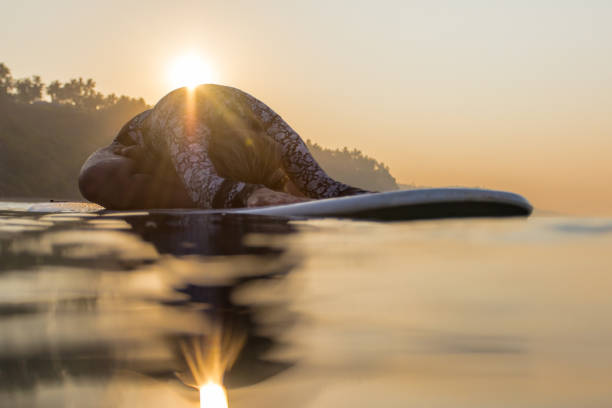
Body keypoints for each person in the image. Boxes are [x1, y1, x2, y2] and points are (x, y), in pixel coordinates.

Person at [79, 84, 369, 210]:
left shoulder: (278, 133)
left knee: (303, 185)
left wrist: (402, 205)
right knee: (98, 180)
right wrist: (262, 198)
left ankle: (262, 185)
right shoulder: (187, 126)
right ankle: (250, 187)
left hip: (209, 168)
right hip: (139, 149)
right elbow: (204, 184)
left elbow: (327, 188)